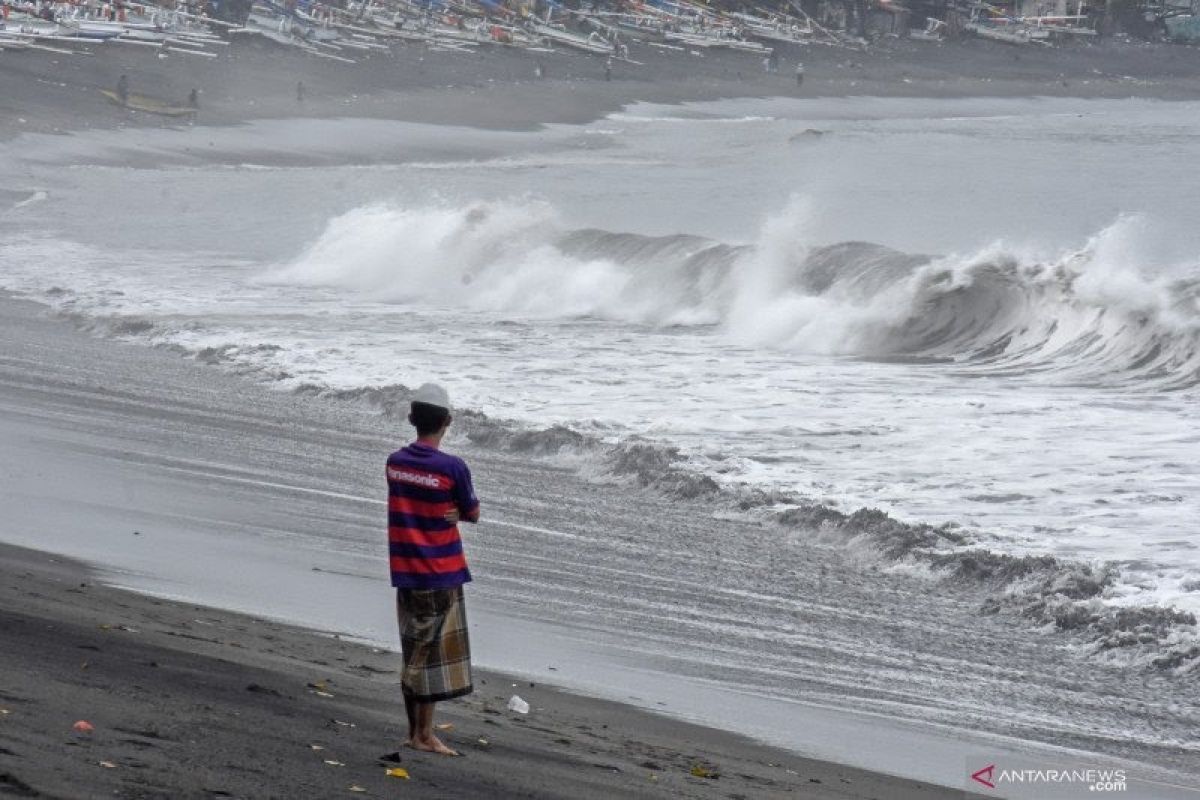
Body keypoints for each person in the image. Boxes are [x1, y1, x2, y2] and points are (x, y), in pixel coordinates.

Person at [386, 383, 480, 757]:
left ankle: (415, 731)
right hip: (439, 570)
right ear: (447, 422)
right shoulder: (452, 466)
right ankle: (423, 735)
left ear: (412, 419)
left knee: (413, 646)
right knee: (428, 654)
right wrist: (458, 512)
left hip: (406, 568)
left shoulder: (395, 462)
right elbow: (471, 511)